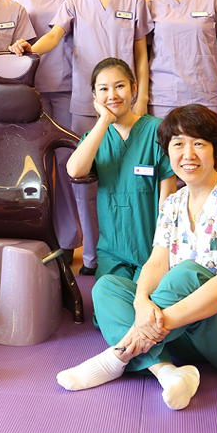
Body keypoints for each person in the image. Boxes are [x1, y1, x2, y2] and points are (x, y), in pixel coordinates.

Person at [57, 105, 217, 411]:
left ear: (214, 149)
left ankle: (120, 354)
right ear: (167, 151)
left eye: (198, 144)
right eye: (178, 144)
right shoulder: (174, 203)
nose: (188, 154)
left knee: (186, 274)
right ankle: (167, 373)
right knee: (107, 287)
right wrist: (140, 302)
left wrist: (152, 325)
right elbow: (156, 262)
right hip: (189, 335)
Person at [11, 0, 151, 274]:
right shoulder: (75, 1)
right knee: (84, 182)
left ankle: (132, 251)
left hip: (127, 105)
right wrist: (30, 48)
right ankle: (90, 255)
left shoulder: (135, 1)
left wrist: (143, 97)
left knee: (128, 181)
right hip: (86, 105)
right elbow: (55, 35)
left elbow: (142, 56)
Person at [12, 0, 86, 263]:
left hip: (75, 87)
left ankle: (72, 240)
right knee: (37, 167)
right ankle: (40, 237)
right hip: (36, 89)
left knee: (71, 165)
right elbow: (15, 34)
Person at [65, 58, 177, 279]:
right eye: (103, 89)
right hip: (112, 254)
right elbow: (74, 170)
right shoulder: (95, 138)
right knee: (108, 298)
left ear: (133, 88)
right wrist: (104, 121)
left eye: (119, 86)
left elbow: (169, 200)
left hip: (153, 252)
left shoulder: (157, 131)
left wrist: (162, 253)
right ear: (95, 97)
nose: (112, 95)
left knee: (148, 301)